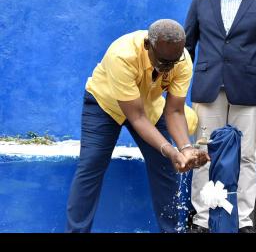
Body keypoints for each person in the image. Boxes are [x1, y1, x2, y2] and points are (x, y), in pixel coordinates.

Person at [66, 19, 210, 233]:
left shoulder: (182, 60)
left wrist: (186, 149)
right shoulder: (122, 55)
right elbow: (137, 118)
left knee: (165, 168)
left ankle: (170, 231)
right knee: (91, 165)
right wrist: (171, 151)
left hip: (148, 105)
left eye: (174, 61)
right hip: (104, 105)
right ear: (147, 46)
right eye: (163, 62)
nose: (169, 68)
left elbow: (175, 110)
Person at [184, 0, 256, 232]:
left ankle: (243, 220)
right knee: (203, 155)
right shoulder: (201, 2)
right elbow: (187, 48)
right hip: (208, 89)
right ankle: (202, 220)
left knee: (246, 156)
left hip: (248, 93)